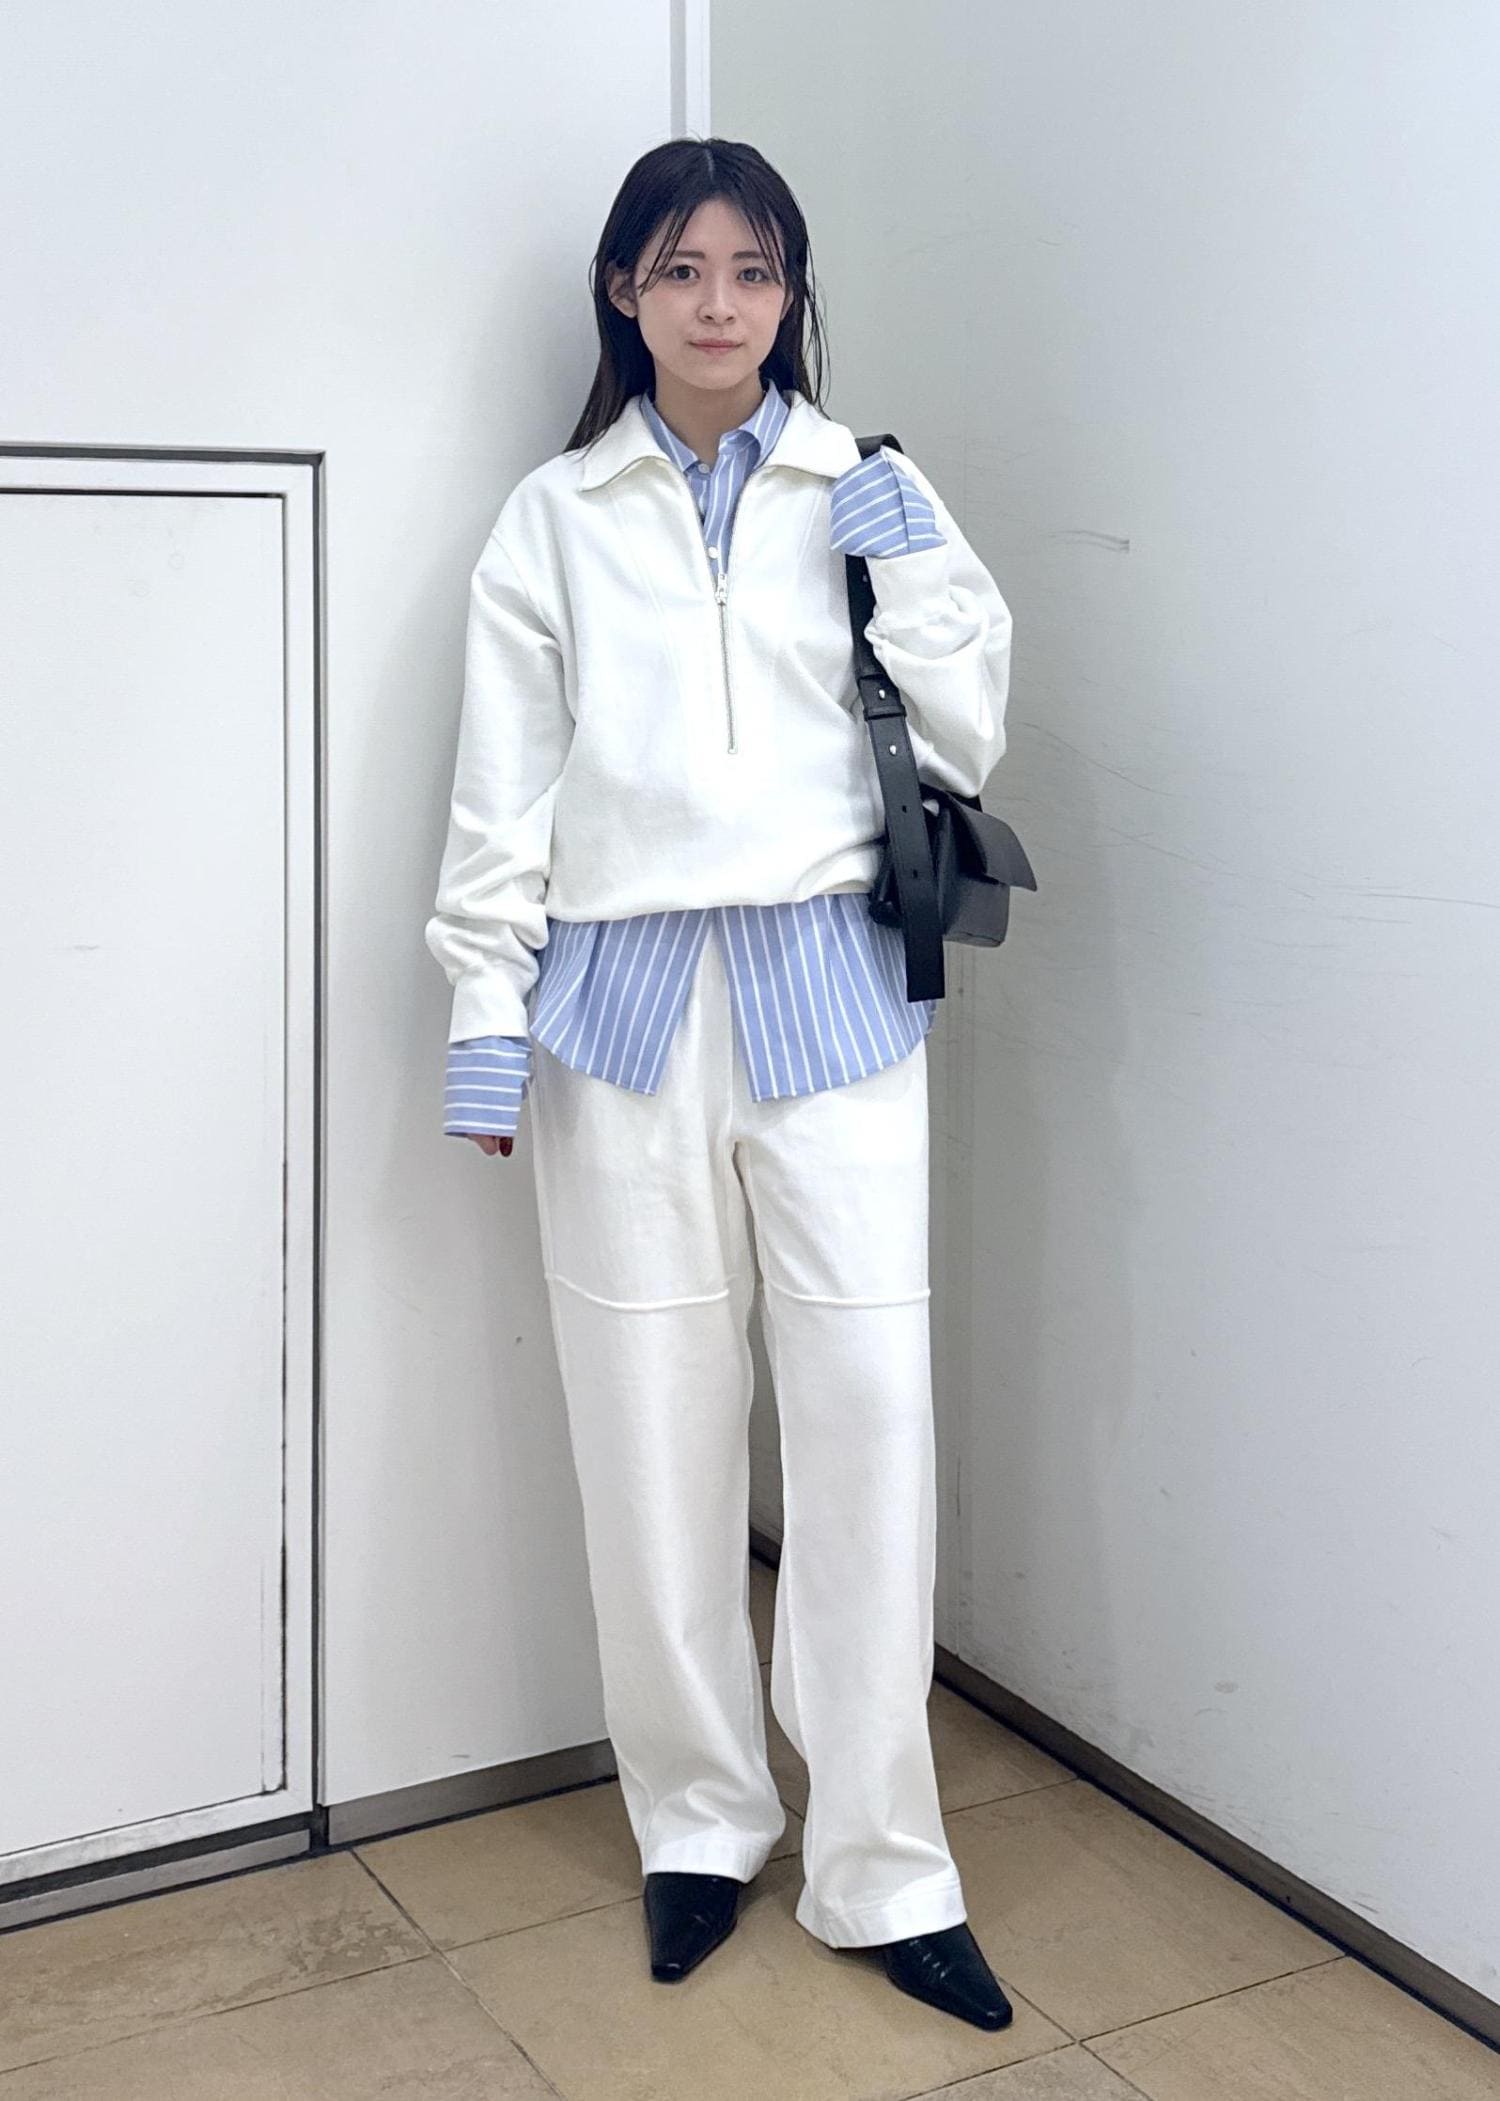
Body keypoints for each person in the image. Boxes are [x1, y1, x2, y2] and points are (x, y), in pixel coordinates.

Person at [425, 136, 1015, 2032]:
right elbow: (504, 786)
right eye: (680, 269)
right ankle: (698, 1820)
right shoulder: (555, 516)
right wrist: (484, 1010)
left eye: (753, 271)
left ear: (790, 293)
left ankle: (885, 1860)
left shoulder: (866, 482)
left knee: (869, 1433)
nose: (718, 304)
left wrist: (912, 566)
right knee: (648, 1434)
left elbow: (971, 729)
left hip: (834, 1004)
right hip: (619, 1018)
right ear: (624, 290)